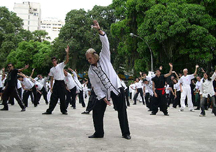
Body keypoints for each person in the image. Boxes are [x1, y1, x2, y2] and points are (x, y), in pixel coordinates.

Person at [86, 20, 131, 139]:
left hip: (117, 87)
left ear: (94, 56)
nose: (89, 61)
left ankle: (126, 133)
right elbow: (95, 86)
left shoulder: (104, 57)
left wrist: (99, 30)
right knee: (97, 111)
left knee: (122, 111)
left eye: (90, 58)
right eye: (88, 59)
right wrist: (103, 98)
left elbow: (105, 42)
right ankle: (99, 133)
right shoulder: (90, 71)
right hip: (103, 92)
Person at [42, 45, 69, 115]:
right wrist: (51, 87)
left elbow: (67, 60)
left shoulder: (60, 66)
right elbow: (51, 79)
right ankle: (49, 110)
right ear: (52, 62)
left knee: (62, 97)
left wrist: (67, 53)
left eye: (55, 60)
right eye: (53, 61)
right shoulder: (52, 69)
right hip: (56, 83)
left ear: (56, 61)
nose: (54, 61)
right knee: (53, 97)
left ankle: (63, 110)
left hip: (61, 82)